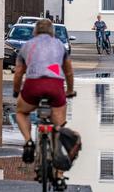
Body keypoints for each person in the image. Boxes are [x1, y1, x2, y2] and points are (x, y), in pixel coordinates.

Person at [12, 19, 75, 165]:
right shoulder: (60, 45)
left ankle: (28, 141)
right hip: (55, 86)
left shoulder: (27, 46)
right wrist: (70, 90)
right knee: (58, 125)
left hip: (33, 86)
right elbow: (69, 72)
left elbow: (18, 73)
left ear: (35, 31)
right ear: (52, 31)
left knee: (21, 112)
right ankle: (57, 160)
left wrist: (16, 91)